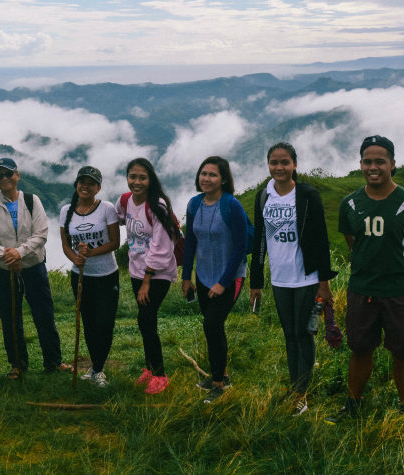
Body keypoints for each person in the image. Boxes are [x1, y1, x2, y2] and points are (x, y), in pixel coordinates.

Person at [333, 135, 404, 419]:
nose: (373, 166)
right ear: (360, 164)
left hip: (398, 292)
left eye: (380, 161)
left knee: (403, 352)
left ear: (392, 164)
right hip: (361, 288)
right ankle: (353, 405)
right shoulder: (349, 204)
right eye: (367, 161)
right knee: (360, 348)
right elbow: (354, 242)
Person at [250, 142, 335, 416]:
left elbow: (321, 239)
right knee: (289, 335)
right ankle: (295, 386)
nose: (279, 168)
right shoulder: (264, 196)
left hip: (306, 277)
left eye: (285, 162)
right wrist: (256, 281)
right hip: (280, 279)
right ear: (268, 165)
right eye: (274, 162)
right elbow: (259, 240)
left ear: (294, 164)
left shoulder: (308, 194)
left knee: (303, 334)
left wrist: (324, 281)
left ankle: (301, 394)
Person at [0, 157, 71, 378]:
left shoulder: (31, 201)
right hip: (4, 270)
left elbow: (41, 234)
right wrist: (8, 255)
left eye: (8, 173)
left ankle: (53, 361)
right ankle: (18, 364)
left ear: (17, 175)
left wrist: (18, 252)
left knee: (44, 314)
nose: (4, 178)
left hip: (33, 267)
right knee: (10, 317)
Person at [181, 156, 248, 403]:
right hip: (203, 275)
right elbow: (190, 243)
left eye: (212, 175)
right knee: (213, 327)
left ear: (223, 179)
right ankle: (222, 374)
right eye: (203, 174)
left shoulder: (232, 206)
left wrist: (223, 282)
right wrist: (186, 277)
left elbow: (241, 247)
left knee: (211, 324)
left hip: (229, 277)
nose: (206, 178)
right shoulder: (194, 204)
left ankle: (218, 383)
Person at [115, 158, 180, 395]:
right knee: (145, 322)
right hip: (135, 269)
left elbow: (162, 246)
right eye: (132, 176)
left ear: (150, 179)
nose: (137, 182)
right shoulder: (126, 201)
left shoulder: (157, 205)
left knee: (146, 319)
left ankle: (160, 374)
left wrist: (146, 282)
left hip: (157, 273)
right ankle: (150, 369)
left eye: (142, 177)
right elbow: (119, 218)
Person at [59, 166, 121, 387]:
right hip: (80, 277)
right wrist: (75, 259)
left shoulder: (107, 208)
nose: (85, 186)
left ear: (98, 188)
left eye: (91, 183)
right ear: (76, 184)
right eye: (82, 182)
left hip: (106, 275)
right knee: (88, 323)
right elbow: (66, 244)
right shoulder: (66, 210)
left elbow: (115, 242)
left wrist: (90, 253)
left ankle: (99, 368)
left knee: (104, 323)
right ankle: (95, 368)